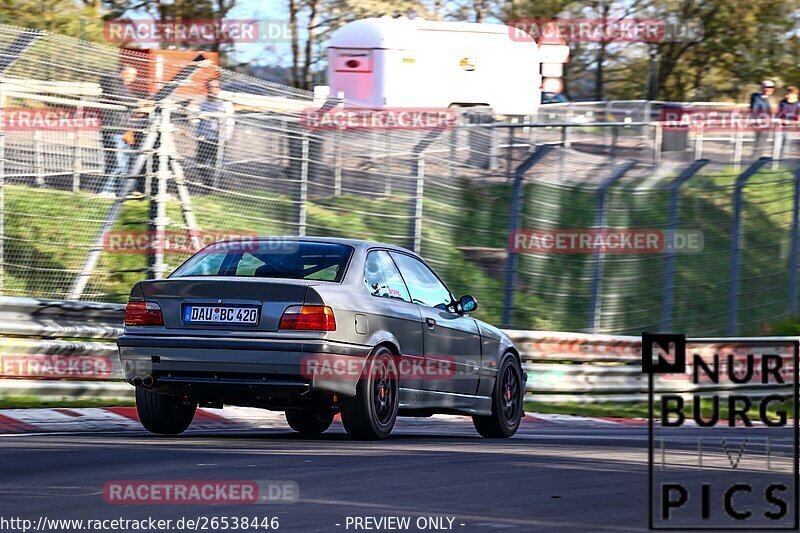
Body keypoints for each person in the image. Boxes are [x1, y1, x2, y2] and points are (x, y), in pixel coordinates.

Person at [98, 66, 139, 196]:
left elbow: (129, 101)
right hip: (114, 129)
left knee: (126, 162)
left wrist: (139, 104)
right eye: (131, 75)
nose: (133, 79)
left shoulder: (123, 88)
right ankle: (106, 190)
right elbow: (125, 99)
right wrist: (138, 103)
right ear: (123, 73)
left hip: (123, 129)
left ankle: (122, 190)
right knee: (117, 162)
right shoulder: (112, 82)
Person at [194, 78, 234, 190]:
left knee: (217, 164)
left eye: (215, 87)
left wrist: (225, 138)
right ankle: (209, 185)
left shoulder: (224, 104)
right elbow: (197, 121)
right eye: (210, 87)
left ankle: (217, 187)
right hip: (205, 138)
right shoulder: (204, 104)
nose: (213, 90)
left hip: (218, 139)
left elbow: (230, 123)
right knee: (200, 163)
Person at [750, 80, 775, 156]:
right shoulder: (756, 97)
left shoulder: (769, 98)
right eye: (766, 87)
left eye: (770, 88)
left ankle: (756, 156)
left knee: (762, 141)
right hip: (761, 122)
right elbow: (756, 109)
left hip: (767, 123)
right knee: (760, 141)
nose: (768, 89)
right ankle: (755, 158)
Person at [777, 86, 800, 159]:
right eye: (786, 94)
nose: (786, 96)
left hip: (793, 127)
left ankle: (782, 158)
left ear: (795, 95)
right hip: (782, 126)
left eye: (789, 94)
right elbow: (780, 114)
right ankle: (777, 158)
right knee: (779, 142)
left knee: (787, 142)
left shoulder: (798, 104)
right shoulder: (782, 102)